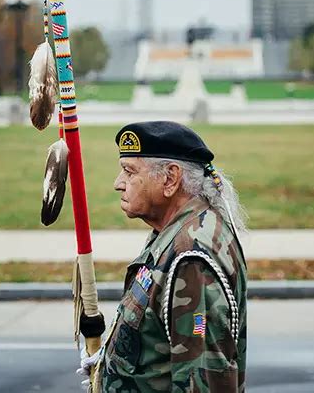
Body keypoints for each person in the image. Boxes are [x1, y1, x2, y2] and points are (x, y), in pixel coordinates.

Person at [78, 120, 247, 392]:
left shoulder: (192, 259)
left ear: (170, 178)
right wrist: (111, 365)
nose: (118, 184)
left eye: (129, 172)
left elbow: (201, 382)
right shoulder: (174, 229)